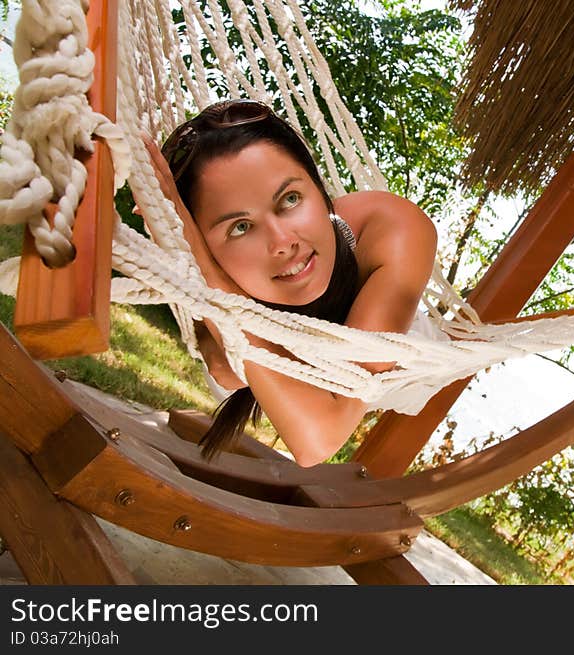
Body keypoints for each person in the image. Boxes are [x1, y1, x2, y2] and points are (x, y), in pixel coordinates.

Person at [141, 99, 437, 466]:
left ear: (319, 187)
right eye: (241, 227)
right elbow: (223, 370)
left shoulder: (392, 227)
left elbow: (317, 440)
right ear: (202, 240)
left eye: (291, 199)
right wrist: (195, 257)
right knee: (228, 371)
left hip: (412, 364)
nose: (284, 243)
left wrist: (203, 261)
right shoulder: (210, 280)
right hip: (277, 362)